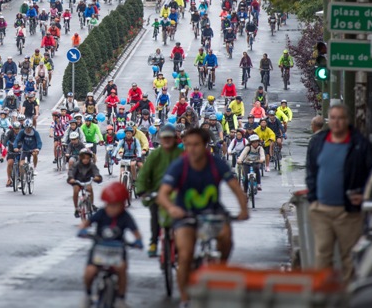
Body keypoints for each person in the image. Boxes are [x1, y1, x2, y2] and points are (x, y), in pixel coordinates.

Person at [157, 127, 249, 308]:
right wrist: (172, 208)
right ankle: (184, 298)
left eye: (196, 145)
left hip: (213, 212)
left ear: (205, 145)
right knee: (184, 256)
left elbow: (235, 187)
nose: (191, 149)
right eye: (188, 144)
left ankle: (220, 267)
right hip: (186, 215)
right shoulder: (179, 166)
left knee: (226, 238)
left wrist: (243, 209)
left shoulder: (216, 164)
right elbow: (163, 195)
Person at [305, 104, 372, 283]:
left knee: (349, 257)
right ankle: (323, 297)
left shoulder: (360, 144)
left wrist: (364, 194)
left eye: (341, 118)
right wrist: (313, 198)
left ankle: (347, 297)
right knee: (322, 255)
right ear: (329, 120)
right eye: (333, 118)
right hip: (321, 210)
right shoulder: (318, 142)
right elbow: (311, 170)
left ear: (347, 121)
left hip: (348, 212)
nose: (337, 122)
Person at [79, 183, 143, 308]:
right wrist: (83, 230)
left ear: (123, 204)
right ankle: (87, 294)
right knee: (90, 271)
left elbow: (136, 232)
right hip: (99, 250)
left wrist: (138, 241)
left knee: (122, 269)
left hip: (118, 251)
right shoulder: (101, 213)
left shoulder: (125, 217)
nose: (111, 208)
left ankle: (121, 297)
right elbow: (87, 222)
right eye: (109, 205)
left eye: (115, 205)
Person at [134, 123, 183, 257]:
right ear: (160, 139)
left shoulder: (182, 154)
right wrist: (142, 191)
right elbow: (144, 174)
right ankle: (154, 242)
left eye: (169, 137)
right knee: (155, 216)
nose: (167, 140)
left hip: (178, 193)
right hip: (157, 193)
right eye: (164, 138)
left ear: (174, 138)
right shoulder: (154, 155)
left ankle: (181, 242)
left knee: (182, 218)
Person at [67, 148, 103, 218]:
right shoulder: (76, 164)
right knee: (76, 190)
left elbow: (96, 172)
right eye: (83, 158)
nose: (85, 160)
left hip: (87, 181)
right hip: (78, 181)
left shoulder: (92, 165)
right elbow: (71, 171)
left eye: (87, 158)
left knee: (89, 188)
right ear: (80, 158)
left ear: (90, 158)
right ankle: (76, 208)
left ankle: (91, 204)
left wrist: (97, 177)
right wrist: (71, 178)